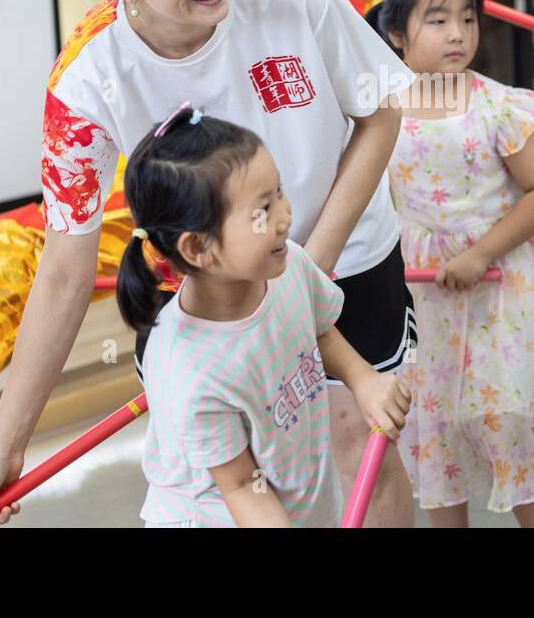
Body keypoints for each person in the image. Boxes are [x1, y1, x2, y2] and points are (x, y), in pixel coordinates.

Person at [0, 0, 417, 528]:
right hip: (206, 293)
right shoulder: (87, 82)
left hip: (337, 257)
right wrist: (6, 445)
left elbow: (380, 115)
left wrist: (303, 272)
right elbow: (63, 271)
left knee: (356, 443)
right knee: (229, 479)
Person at [377, 0, 534, 527]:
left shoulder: (498, 105)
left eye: (468, 18)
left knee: (511, 423)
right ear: (396, 35)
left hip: (503, 292)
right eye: (437, 20)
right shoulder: (379, 114)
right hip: (425, 301)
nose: (457, 33)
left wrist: (480, 253)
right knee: (437, 435)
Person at [115, 107, 409, 527]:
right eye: (262, 211)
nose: (285, 218)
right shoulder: (192, 369)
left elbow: (319, 329)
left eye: (279, 194)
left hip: (295, 499)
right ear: (199, 248)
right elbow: (238, 485)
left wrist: (364, 380)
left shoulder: (288, 267)